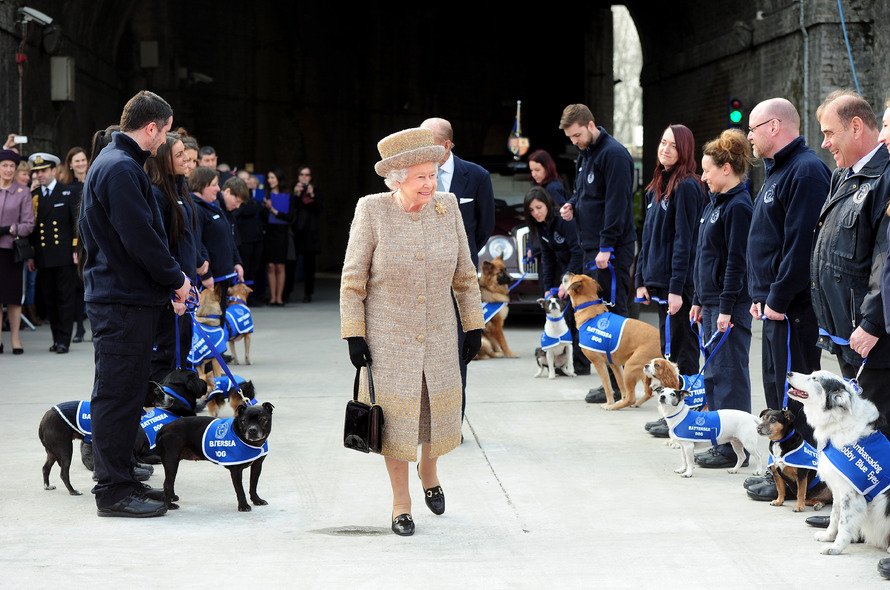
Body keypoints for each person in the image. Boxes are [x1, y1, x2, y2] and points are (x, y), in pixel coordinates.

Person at [340, 127, 484, 536]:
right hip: (387, 336)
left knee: (439, 413)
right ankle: (400, 503)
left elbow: (465, 276)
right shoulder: (372, 210)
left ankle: (430, 470)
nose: (430, 183)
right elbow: (353, 279)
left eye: (433, 174)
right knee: (396, 423)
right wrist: (354, 333)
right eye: (421, 176)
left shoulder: (448, 207)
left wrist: (472, 325)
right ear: (398, 176)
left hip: (439, 331)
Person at [79, 91, 190, 517]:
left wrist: (166, 288)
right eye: (165, 132)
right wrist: (176, 280)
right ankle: (113, 491)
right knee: (117, 396)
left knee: (125, 393)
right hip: (120, 301)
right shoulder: (121, 168)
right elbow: (141, 238)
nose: (165, 141)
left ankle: (122, 474)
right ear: (151, 128)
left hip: (126, 298)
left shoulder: (116, 163)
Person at [741, 97, 830, 499]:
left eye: (754, 129)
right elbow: (767, 241)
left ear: (774, 127)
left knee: (796, 394)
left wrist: (776, 297)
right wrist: (761, 295)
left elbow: (798, 247)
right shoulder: (777, 172)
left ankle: (808, 480)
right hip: (774, 307)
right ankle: (782, 469)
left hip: (793, 310)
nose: (750, 137)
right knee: (777, 389)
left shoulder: (806, 171)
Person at [813, 90, 890, 430]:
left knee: (878, 421)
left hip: (869, 334)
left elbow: (884, 258)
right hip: (845, 330)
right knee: (857, 425)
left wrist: (871, 322)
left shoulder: (883, 178)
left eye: (830, 133)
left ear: (856, 126)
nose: (825, 143)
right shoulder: (841, 175)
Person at [558, 103, 636, 404]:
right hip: (591, 246)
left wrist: (606, 246)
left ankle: (625, 385)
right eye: (571, 137)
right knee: (599, 317)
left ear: (591, 125)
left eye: (577, 135)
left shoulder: (613, 155)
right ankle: (611, 384)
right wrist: (572, 204)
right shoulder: (586, 154)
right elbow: (585, 192)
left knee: (614, 315)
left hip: (611, 249)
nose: (574, 141)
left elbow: (617, 204)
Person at [420, 117, 495, 419]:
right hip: (421, 278)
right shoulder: (413, 174)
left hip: (458, 279)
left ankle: (452, 422)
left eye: (430, 142)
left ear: (447, 145)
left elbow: (485, 225)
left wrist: (460, 258)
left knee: (458, 351)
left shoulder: (476, 176)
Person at [689, 128, 755, 464]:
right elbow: (705, 256)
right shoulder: (714, 204)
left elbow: (736, 262)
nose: (703, 177)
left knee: (729, 375)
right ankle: (720, 439)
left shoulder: (739, 207)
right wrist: (700, 298)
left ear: (726, 169)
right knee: (713, 375)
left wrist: (726, 307)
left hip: (729, 306)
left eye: (707, 170)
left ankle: (734, 448)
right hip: (712, 303)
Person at [635, 124, 703, 379]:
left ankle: (689, 411)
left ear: (685, 150)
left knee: (682, 349)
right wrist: (640, 279)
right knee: (668, 349)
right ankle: (674, 413)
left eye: (674, 145)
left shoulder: (686, 187)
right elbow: (648, 236)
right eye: (664, 142)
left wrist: (676, 289)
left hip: (680, 285)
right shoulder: (657, 186)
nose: (666, 149)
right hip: (661, 283)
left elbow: (684, 241)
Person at [147, 132, 203, 379]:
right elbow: (162, 249)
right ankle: (162, 411)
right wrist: (174, 289)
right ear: (163, 160)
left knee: (183, 350)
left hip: (185, 286)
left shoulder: (180, 192)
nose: (186, 161)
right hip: (171, 291)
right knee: (166, 355)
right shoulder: (157, 195)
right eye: (179, 155)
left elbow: (187, 242)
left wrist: (191, 281)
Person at [523, 185, 588, 374]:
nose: (536, 213)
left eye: (539, 207)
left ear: (547, 204)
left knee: (577, 319)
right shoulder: (540, 227)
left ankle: (580, 364)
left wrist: (565, 282)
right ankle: (563, 363)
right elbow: (548, 259)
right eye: (532, 210)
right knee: (561, 319)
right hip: (563, 273)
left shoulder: (563, 221)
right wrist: (547, 287)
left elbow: (578, 253)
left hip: (579, 273)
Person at [27, 152, 80, 354]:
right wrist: (31, 254)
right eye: (37, 172)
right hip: (43, 255)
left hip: (64, 255)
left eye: (43, 170)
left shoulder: (66, 193)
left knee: (64, 299)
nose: (40, 175)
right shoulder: (34, 197)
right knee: (49, 300)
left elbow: (75, 223)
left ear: (53, 170)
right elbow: (31, 230)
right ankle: (56, 337)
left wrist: (76, 248)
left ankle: (64, 340)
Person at [190, 166, 243, 312]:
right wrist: (206, 275)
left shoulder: (214, 206)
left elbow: (227, 237)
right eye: (214, 185)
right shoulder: (196, 209)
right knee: (210, 326)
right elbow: (196, 243)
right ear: (202, 185)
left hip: (223, 277)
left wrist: (237, 262)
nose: (218, 189)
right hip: (210, 282)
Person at [0, 148, 34, 355]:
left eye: (12, 166)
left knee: (12, 297)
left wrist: (12, 229)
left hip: (11, 251)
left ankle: (15, 338)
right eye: (4, 165)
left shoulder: (23, 192)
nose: (8, 169)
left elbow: (29, 224)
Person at [57, 147, 89, 342]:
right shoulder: (67, 188)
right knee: (78, 288)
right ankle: (79, 329)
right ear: (70, 164)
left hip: (95, 241)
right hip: (78, 244)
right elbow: (68, 223)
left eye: (83, 160)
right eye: (76, 161)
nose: (80, 164)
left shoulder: (94, 180)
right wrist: (73, 247)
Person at [262, 168, 295, 306]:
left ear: (279, 179)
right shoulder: (266, 195)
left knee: (280, 266)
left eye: (272, 177)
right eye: (269, 178)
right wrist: (265, 208)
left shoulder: (288, 195)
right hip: (269, 232)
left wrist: (273, 209)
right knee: (270, 266)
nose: (270, 180)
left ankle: (279, 297)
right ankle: (272, 297)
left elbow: (290, 217)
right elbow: (262, 217)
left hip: (282, 232)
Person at [293, 165, 321, 303]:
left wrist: (312, 195)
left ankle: (308, 293)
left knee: (310, 265)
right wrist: (296, 195)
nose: (304, 177)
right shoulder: (294, 190)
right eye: (302, 174)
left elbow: (319, 210)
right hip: (297, 232)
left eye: (307, 175)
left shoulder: (315, 191)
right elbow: (291, 209)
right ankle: (287, 293)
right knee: (292, 263)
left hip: (311, 234)